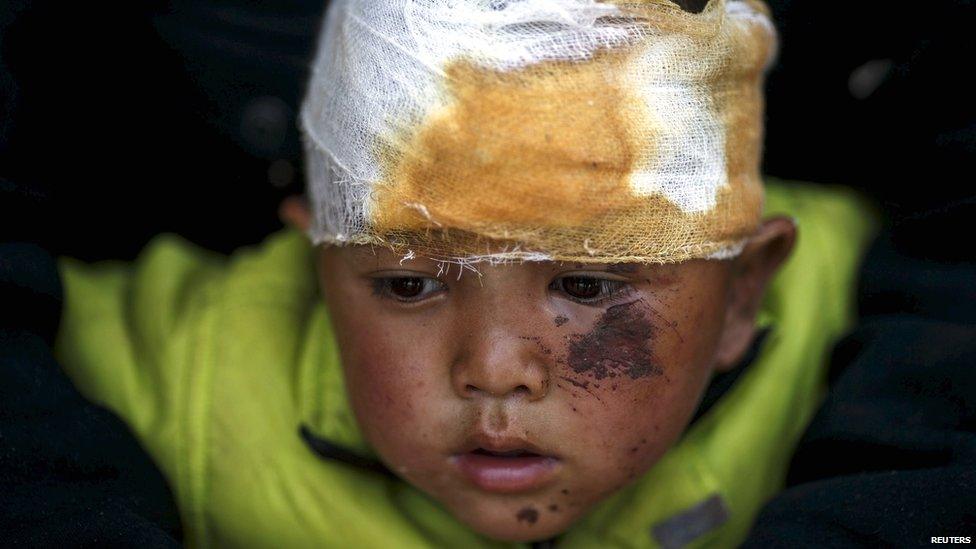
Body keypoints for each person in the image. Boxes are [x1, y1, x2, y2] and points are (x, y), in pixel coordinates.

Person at [40, 0, 880, 546]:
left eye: (586, 285)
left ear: (743, 293)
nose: (493, 371)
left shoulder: (850, 340)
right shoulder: (189, 370)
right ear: (317, 263)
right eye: (409, 283)